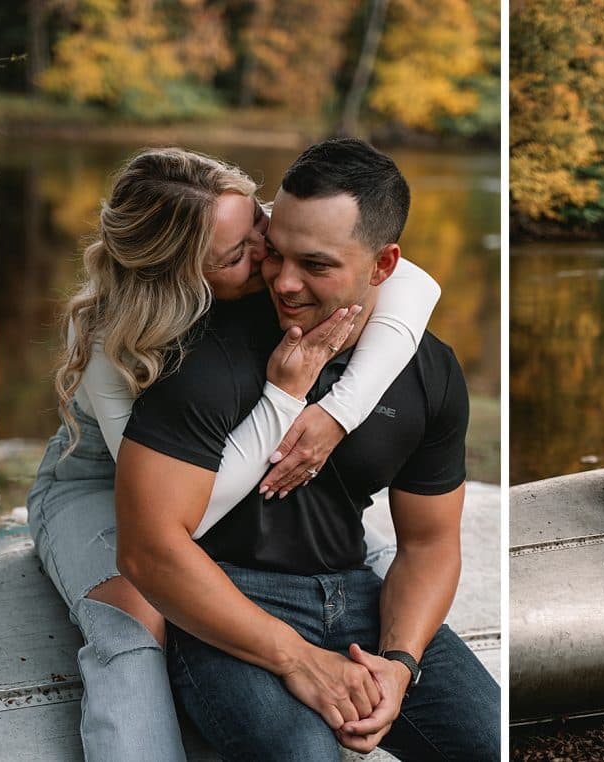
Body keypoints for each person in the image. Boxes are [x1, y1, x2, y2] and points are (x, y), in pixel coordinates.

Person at [26, 146, 442, 760]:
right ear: (178, 276)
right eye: (236, 257)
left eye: (260, 231)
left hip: (254, 458)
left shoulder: (261, 235)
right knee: (134, 622)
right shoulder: (107, 335)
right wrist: (286, 396)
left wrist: (339, 411)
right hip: (104, 481)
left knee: (365, 567)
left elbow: (414, 283)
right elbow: (189, 518)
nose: (269, 262)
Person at [114, 138, 499, 759]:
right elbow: (149, 549)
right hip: (221, 599)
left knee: (490, 738)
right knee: (303, 754)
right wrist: (300, 661)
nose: (284, 282)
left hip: (354, 592)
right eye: (276, 254)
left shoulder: (429, 371)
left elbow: (429, 543)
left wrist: (399, 661)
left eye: (315, 265)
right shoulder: (203, 347)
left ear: (383, 265)